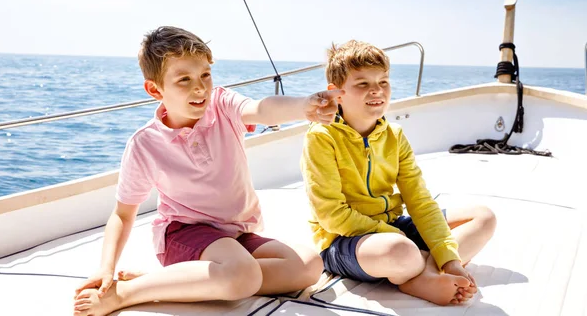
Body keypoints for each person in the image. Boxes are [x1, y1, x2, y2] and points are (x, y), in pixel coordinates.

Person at [73, 26, 340, 316]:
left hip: (234, 234)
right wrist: (106, 267)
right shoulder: (145, 144)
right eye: (184, 80)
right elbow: (122, 215)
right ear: (155, 89)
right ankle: (126, 293)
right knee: (243, 274)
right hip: (185, 235)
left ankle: (180, 282)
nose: (200, 88)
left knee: (309, 265)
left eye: (205, 75)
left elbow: (261, 110)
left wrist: (304, 106)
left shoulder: (223, 105)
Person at [301, 40, 497, 305]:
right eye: (362, 84)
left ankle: (425, 272)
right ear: (336, 93)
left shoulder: (395, 135)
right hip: (343, 241)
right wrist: (397, 236)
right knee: (400, 251)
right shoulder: (321, 137)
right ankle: (417, 271)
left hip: (391, 226)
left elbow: (420, 202)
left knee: (483, 218)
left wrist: (449, 259)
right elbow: (332, 216)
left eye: (383, 82)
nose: (376, 91)